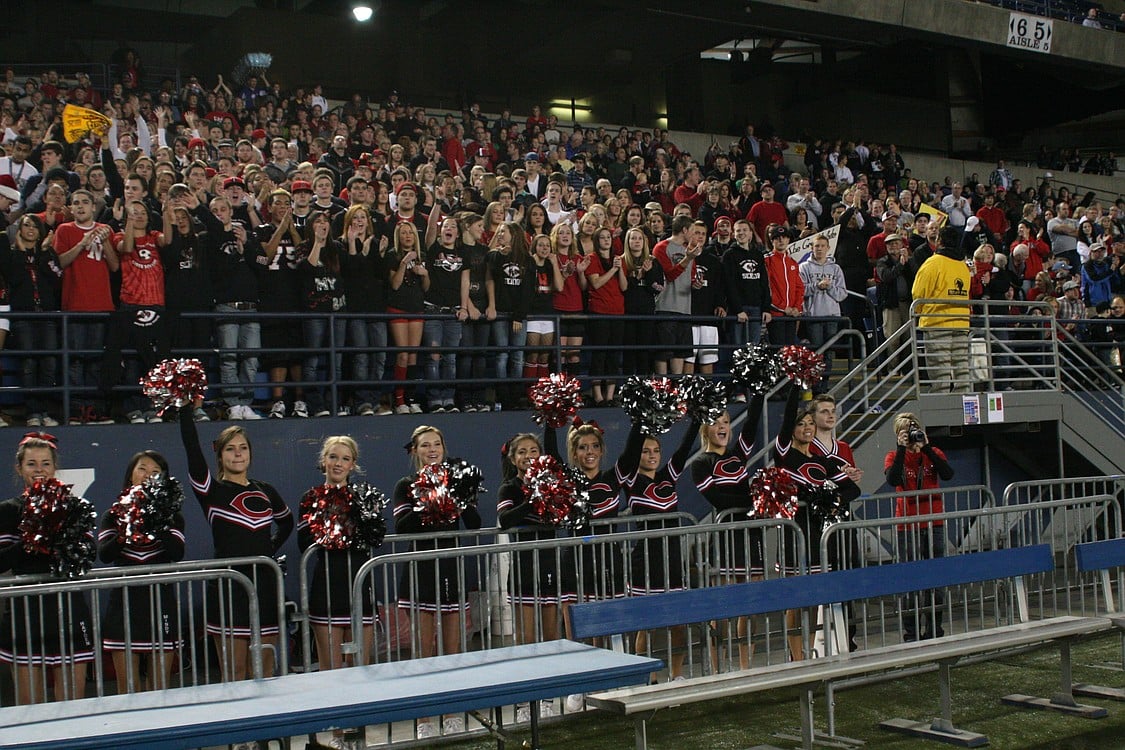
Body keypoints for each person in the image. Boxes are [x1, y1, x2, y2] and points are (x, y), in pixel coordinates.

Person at [178, 405, 293, 682]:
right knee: (235, 673)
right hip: (229, 590)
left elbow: (287, 523)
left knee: (265, 672)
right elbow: (193, 451)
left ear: (251, 453)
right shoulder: (211, 491)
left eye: (243, 447)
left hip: (264, 586)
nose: (238, 453)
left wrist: (266, 552)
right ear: (219, 455)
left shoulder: (265, 490)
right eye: (230, 449)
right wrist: (184, 412)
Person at [393, 425, 481, 738]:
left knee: (453, 650)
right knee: (422, 653)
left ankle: (453, 712)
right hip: (420, 573)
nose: (432, 449)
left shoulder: (456, 479)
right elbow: (402, 527)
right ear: (414, 451)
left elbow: (474, 523)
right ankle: (425, 719)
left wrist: (460, 493)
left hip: (450, 571)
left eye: (437, 444)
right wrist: (430, 500)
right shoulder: (406, 485)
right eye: (425, 445)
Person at [0, 433, 95, 704]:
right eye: (31, 464)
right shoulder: (7, 511)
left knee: (71, 707)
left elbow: (88, 557)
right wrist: (30, 541)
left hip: (69, 613)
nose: (39, 470)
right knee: (31, 709)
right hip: (24, 616)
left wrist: (56, 535)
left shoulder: (74, 508)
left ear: (55, 467)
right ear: (19, 469)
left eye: (45, 463)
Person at [772, 382, 861, 660]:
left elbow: (853, 489)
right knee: (796, 599)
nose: (807, 428)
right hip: (794, 531)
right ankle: (795, 656)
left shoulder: (823, 461)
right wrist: (797, 387)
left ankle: (808, 652)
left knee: (812, 599)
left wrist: (829, 499)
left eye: (810, 423)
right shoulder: (786, 455)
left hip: (816, 533)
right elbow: (787, 420)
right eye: (802, 424)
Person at [297, 436, 375, 750]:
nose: (338, 463)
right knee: (330, 669)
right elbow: (305, 543)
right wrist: (327, 529)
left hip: (359, 589)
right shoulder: (310, 497)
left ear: (353, 464)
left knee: (358, 667)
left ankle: (358, 734)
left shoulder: (364, 496)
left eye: (344, 458)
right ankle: (336, 734)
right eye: (333, 457)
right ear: (324, 462)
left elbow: (374, 537)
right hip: (326, 589)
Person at [98, 451, 185, 694]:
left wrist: (157, 519)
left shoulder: (173, 516)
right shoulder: (113, 515)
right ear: (130, 476)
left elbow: (177, 552)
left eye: (155, 472)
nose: (148, 476)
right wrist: (127, 528)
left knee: (160, 688)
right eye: (142, 469)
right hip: (124, 607)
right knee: (128, 688)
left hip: (160, 606)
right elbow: (105, 554)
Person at [690, 392, 765, 670]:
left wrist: (759, 388)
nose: (722, 426)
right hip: (724, 540)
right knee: (721, 608)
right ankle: (717, 667)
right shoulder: (701, 464)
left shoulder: (739, 455)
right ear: (705, 429)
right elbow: (719, 500)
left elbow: (754, 420)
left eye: (726, 421)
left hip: (750, 537)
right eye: (715, 421)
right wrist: (754, 502)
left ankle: (746, 667)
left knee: (751, 606)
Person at [619, 418, 698, 680]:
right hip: (645, 559)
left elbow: (685, 447)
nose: (652, 455)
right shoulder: (631, 481)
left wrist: (697, 415)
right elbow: (630, 447)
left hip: (672, 558)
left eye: (656, 451)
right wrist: (641, 418)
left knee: (678, 623)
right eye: (645, 451)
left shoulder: (668, 477)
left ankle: (676, 675)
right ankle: (648, 677)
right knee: (646, 625)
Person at [884, 412, 954, 641]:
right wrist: (902, 449)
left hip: (934, 522)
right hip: (907, 524)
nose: (912, 436)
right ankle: (911, 630)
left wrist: (926, 448)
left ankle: (935, 627)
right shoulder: (894, 456)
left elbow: (947, 474)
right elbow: (893, 480)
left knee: (936, 578)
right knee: (910, 579)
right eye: (907, 433)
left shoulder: (933, 454)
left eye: (914, 431)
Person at [911, 226, 971, 393]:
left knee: (941, 368)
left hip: (937, 321)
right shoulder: (962, 265)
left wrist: (920, 311)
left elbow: (918, 292)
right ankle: (963, 399)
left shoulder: (933, 262)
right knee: (961, 366)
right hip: (961, 322)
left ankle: (941, 401)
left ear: (940, 241)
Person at [799, 234, 847, 391]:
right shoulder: (804, 267)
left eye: (822, 246)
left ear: (828, 248)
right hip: (814, 316)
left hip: (832, 316)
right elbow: (801, 291)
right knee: (816, 352)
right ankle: (814, 385)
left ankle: (824, 387)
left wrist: (829, 287)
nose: (819, 249)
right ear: (811, 248)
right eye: (816, 246)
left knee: (829, 353)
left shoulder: (836, 268)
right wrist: (816, 286)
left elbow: (842, 294)